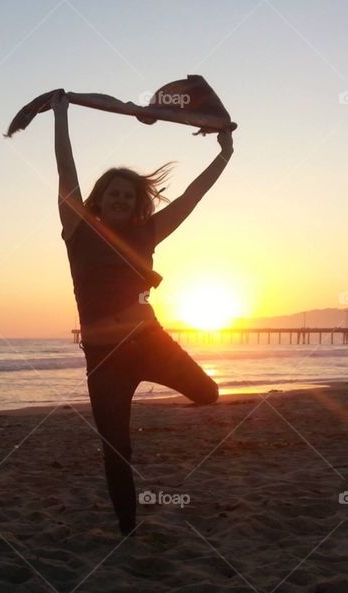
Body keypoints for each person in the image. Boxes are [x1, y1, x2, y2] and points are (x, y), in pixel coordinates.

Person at [51, 90, 230, 534]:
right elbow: (65, 170)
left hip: (149, 343)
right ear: (99, 197)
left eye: (127, 197)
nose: (119, 201)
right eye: (113, 194)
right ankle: (127, 527)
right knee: (115, 446)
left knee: (208, 393)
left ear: (136, 204)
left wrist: (224, 155)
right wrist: (61, 114)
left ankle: (148, 392)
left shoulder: (146, 233)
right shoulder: (77, 228)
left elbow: (191, 197)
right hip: (103, 358)